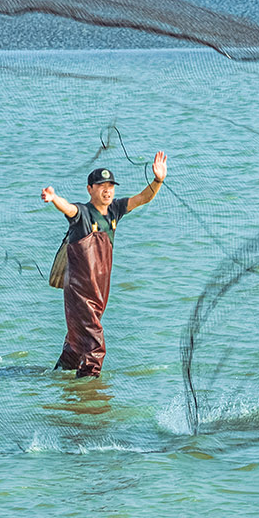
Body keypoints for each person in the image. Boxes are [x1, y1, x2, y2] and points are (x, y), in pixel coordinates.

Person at [41, 153, 167, 377]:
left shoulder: (115, 210)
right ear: (90, 189)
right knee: (94, 347)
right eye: (101, 186)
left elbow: (142, 198)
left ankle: (60, 380)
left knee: (77, 341)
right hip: (80, 293)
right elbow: (69, 208)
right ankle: (91, 398)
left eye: (110, 186)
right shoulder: (83, 213)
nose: (107, 190)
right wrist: (54, 198)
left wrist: (158, 180)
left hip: (99, 292)